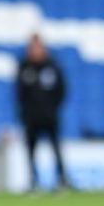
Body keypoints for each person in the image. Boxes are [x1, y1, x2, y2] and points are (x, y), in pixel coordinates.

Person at [16, 33, 69, 190]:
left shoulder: (52, 66)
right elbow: (19, 93)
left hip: (50, 116)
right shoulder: (24, 67)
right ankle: (33, 180)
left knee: (56, 148)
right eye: (32, 47)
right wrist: (24, 112)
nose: (35, 51)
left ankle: (61, 179)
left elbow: (62, 90)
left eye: (38, 47)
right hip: (31, 117)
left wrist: (53, 108)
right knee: (31, 150)